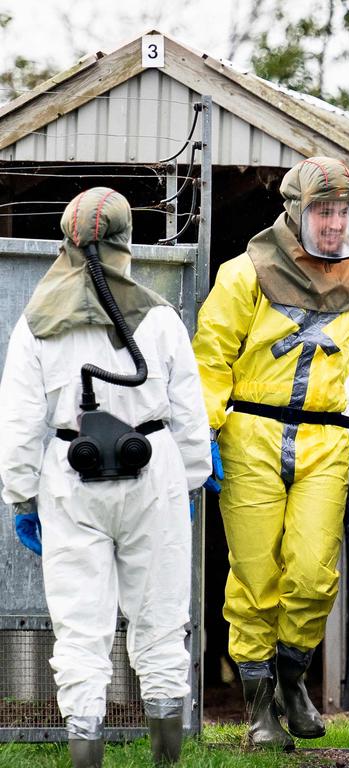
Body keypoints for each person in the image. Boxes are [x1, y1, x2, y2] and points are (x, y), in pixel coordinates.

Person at [192, 157, 349, 749]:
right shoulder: (244, 275)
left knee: (314, 575)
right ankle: (260, 712)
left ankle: (292, 683)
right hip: (251, 435)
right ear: (295, 212)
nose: (334, 224)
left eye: (342, 211)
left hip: (325, 438)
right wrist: (205, 430)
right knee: (257, 577)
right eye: (322, 212)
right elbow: (211, 357)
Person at [0, 188, 210, 767]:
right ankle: (166, 758)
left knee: (80, 626)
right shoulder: (161, 318)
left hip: (72, 478)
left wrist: (22, 495)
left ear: (66, 243)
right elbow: (190, 414)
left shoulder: (37, 323)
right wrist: (188, 481)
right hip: (153, 470)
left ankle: (85, 754)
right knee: (162, 618)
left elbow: (18, 423)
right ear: (126, 244)